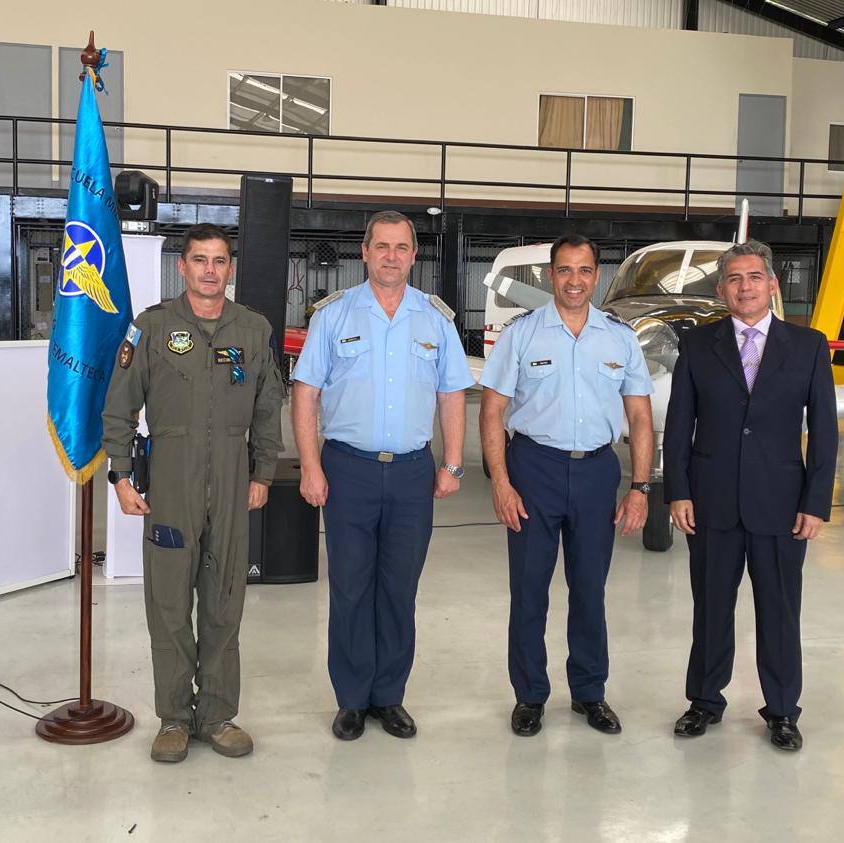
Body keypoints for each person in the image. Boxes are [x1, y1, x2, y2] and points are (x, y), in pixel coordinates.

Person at [102, 223, 282, 763]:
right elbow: (120, 402)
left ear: (230, 269)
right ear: (182, 267)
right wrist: (120, 473)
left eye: (220, 260)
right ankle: (175, 719)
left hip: (231, 479)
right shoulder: (152, 327)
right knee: (169, 606)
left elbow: (268, 405)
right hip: (172, 483)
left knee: (226, 604)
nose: (210, 269)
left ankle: (218, 716)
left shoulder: (252, 330)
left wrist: (263, 472)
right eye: (200, 259)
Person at [291, 210, 473, 741]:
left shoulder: (435, 319)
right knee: (350, 588)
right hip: (348, 470)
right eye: (382, 246)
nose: (392, 256)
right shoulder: (334, 316)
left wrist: (453, 462)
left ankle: (389, 696)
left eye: (402, 247)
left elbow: (451, 394)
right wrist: (309, 465)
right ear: (364, 253)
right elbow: (307, 393)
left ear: (414, 255)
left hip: (414, 474)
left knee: (399, 589)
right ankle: (351, 699)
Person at [663, 240, 838, 752]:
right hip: (712, 501)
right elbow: (679, 427)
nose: (745, 287)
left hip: (783, 506)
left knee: (780, 612)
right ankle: (704, 701)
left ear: (772, 285)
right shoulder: (698, 345)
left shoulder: (808, 346)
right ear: (722, 289)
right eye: (735, 279)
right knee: (711, 608)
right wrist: (678, 491)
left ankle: (782, 710)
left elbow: (824, 432)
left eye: (754, 277)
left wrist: (815, 501)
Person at [479, 234, 654, 737]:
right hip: (534, 469)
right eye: (564, 270)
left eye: (583, 271)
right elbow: (492, 412)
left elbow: (640, 417)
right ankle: (530, 695)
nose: (574, 281)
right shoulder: (522, 335)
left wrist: (639, 487)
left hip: (598, 471)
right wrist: (502, 483)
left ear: (596, 276)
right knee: (529, 591)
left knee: (590, 590)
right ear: (550, 276)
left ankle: (589, 693)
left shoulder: (620, 338)